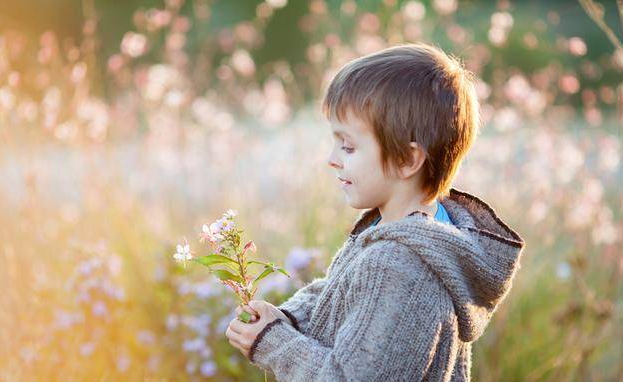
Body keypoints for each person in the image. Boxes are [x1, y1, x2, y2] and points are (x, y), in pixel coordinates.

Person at [225, 42, 526, 381]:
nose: (333, 158)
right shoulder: (422, 231)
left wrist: (275, 343)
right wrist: (287, 319)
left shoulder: (399, 264)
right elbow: (341, 293)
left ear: (407, 159)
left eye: (349, 146)